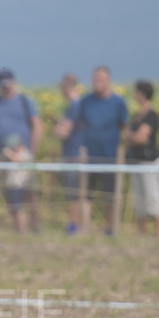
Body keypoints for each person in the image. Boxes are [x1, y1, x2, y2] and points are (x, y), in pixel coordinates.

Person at [57, 66, 129, 235]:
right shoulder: (86, 102)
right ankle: (84, 228)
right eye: (95, 79)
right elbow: (76, 122)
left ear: (109, 80)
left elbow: (123, 126)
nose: (97, 82)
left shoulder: (118, 103)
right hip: (88, 156)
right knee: (84, 194)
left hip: (110, 155)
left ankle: (110, 229)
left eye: (101, 79)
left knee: (110, 196)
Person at [0, 68, 43, 233]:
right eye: (2, 85)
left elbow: (37, 124)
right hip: (3, 154)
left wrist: (31, 151)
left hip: (23, 155)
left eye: (8, 85)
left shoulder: (24, 101)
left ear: (14, 83)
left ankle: (35, 227)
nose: (6, 88)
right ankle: (19, 229)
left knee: (30, 192)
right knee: (11, 192)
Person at [125, 80, 159, 240]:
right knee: (140, 198)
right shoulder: (138, 116)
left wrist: (132, 137)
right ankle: (141, 234)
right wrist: (133, 137)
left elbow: (140, 138)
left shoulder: (151, 115)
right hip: (137, 162)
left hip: (150, 163)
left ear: (142, 94)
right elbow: (131, 136)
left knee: (153, 197)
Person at [55, 73, 90, 235]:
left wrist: (58, 127)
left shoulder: (75, 106)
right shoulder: (79, 105)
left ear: (66, 86)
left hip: (74, 155)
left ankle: (75, 227)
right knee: (80, 194)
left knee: (75, 194)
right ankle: (82, 228)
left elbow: (63, 132)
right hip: (76, 154)